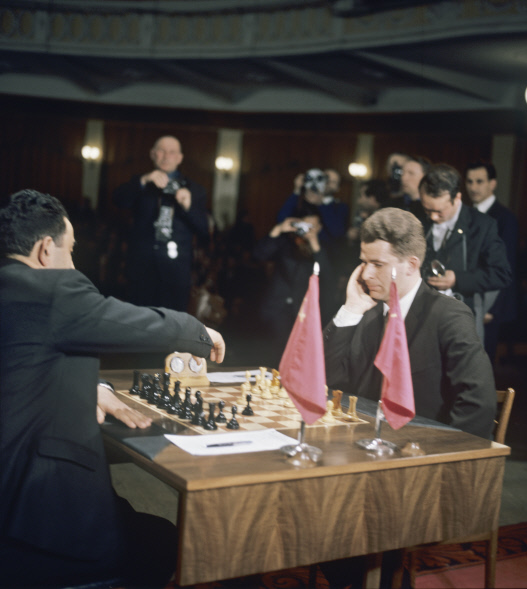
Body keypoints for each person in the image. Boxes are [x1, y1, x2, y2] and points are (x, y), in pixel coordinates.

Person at [0, 190, 225, 588]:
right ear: (45, 249)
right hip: (36, 518)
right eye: (70, 250)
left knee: (145, 527)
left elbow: (27, 360)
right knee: (172, 544)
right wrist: (199, 331)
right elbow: (130, 322)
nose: (73, 262)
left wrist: (92, 385)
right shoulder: (51, 291)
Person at [323, 207, 496, 439]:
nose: (365, 275)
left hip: (419, 449)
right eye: (364, 262)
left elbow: (477, 404)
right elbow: (327, 379)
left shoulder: (449, 315)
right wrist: (350, 309)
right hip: (361, 441)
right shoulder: (367, 310)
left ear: (412, 265)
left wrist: (441, 460)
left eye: (378, 264)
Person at [113, 135, 209, 311]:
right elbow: (120, 201)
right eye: (161, 151)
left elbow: (204, 230)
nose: (166, 156)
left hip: (176, 271)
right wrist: (143, 180)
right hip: (141, 268)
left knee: (172, 326)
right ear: (152, 154)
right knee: (138, 321)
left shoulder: (195, 189)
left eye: (172, 152)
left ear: (180, 158)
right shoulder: (140, 181)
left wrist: (188, 207)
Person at [419, 163, 512, 342]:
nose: (432, 217)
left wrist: (458, 279)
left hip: (460, 319)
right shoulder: (419, 220)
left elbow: (502, 274)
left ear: (457, 198)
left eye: (439, 211)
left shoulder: (482, 225)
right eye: (427, 209)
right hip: (422, 317)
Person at [254, 203, 336, 367]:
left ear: (320, 227)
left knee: (297, 357)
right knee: (275, 354)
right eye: (305, 225)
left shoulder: (324, 248)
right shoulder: (285, 243)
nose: (308, 230)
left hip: (302, 310)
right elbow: (259, 254)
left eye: (313, 226)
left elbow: (328, 278)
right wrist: (278, 230)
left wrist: (315, 245)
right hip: (277, 308)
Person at [465, 161, 518, 362]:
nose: (473, 187)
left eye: (479, 181)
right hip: (470, 295)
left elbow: (507, 264)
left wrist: (492, 310)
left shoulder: (505, 218)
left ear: (492, 184)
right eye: (469, 181)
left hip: (490, 301)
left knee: (482, 362)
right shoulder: (467, 214)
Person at [276, 168, 349, 242]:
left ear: (338, 188)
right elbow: (281, 220)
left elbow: (337, 233)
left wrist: (322, 203)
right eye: (325, 178)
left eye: (333, 182)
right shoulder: (301, 200)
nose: (327, 183)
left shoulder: (340, 207)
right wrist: (297, 191)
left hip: (324, 251)